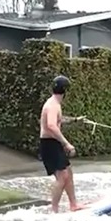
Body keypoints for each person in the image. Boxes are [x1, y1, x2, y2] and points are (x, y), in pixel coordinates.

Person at [39, 74, 85, 213]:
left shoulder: (54, 104)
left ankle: (73, 204)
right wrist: (66, 143)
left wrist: (75, 120)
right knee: (62, 177)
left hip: (53, 143)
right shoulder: (53, 105)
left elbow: (58, 120)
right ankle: (54, 210)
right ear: (66, 91)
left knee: (68, 173)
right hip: (49, 143)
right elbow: (52, 125)